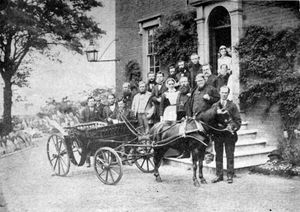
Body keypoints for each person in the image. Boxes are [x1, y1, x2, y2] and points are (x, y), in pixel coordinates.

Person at [211, 86, 241, 184]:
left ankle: (229, 175)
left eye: (226, 93)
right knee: (218, 155)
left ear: (228, 94)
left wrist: (232, 127)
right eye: (222, 92)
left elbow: (238, 121)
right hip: (218, 134)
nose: (224, 94)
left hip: (229, 135)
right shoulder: (215, 106)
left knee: (229, 155)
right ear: (219, 93)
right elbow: (211, 120)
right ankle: (219, 175)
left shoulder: (232, 106)